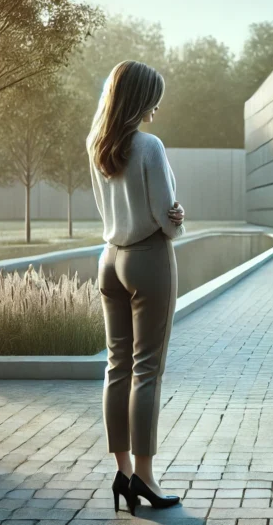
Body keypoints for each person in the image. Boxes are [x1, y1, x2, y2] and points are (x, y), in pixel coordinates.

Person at [87, 60, 185, 515]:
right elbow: (167, 216)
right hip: (147, 257)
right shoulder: (149, 146)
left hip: (109, 259)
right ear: (141, 98)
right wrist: (177, 219)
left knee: (116, 367)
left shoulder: (98, 144)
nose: (158, 106)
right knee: (147, 369)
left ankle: (123, 471)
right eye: (155, 97)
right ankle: (145, 477)